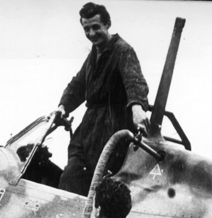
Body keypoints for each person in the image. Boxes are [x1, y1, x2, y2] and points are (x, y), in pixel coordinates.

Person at [55, 2, 150, 196]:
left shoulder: (123, 51)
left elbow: (135, 82)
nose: (91, 33)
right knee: (72, 175)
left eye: (96, 27)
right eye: (86, 29)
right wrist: (63, 107)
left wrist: (137, 108)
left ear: (107, 24)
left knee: (101, 182)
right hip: (89, 127)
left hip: (112, 126)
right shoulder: (93, 54)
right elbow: (77, 86)